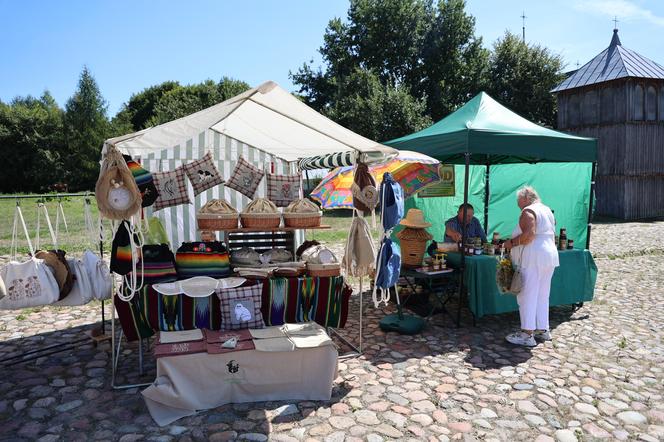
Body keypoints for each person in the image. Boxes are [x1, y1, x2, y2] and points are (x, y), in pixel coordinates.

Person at [504, 186, 560, 347]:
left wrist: (511, 243)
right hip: (548, 255)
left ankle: (527, 334)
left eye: (519, 201)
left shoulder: (528, 211)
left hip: (533, 257)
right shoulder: (547, 210)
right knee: (543, 294)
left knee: (527, 294)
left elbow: (529, 235)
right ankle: (543, 329)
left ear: (526, 198)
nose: (518, 205)